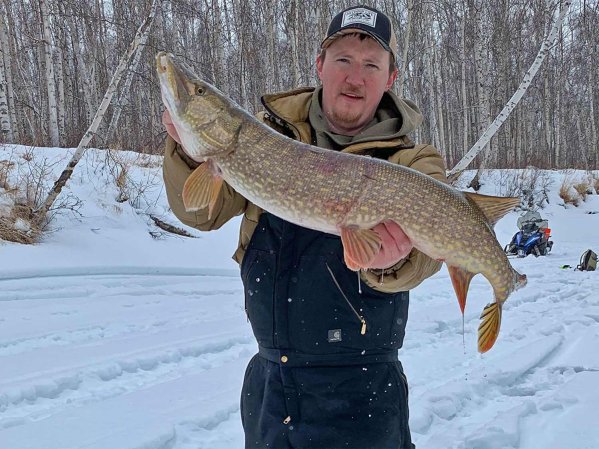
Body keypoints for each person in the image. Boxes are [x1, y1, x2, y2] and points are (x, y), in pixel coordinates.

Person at [162, 4, 447, 448]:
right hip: (271, 385)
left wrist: (396, 262)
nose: (355, 77)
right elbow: (200, 213)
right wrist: (189, 152)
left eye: (371, 65)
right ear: (320, 65)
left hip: (364, 390)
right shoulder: (263, 137)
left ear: (390, 78)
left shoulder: (412, 162)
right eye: (343, 61)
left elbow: (431, 249)